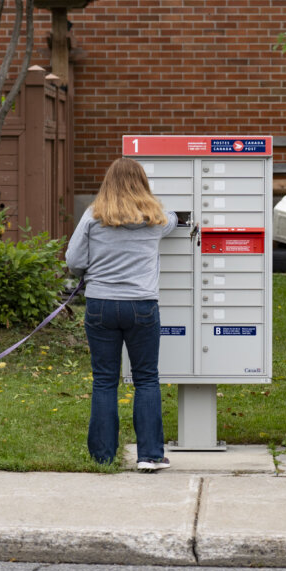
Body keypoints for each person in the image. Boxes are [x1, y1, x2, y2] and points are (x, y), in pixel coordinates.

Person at [65, 158, 178, 471]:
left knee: (104, 380)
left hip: (101, 305)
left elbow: (73, 259)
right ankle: (151, 455)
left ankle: (103, 456)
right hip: (142, 305)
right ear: (142, 183)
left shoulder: (93, 215)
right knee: (146, 379)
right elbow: (173, 218)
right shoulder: (155, 219)